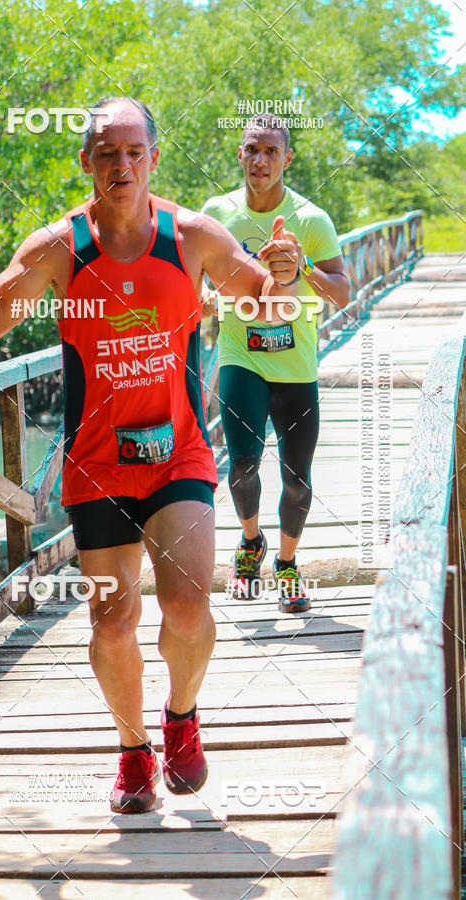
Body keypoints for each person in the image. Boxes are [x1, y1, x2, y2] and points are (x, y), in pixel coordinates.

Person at [0, 98, 300, 813]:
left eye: (134, 152)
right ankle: (134, 750)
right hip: (97, 466)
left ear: (153, 158)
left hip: (179, 456)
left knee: (187, 605)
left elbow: (269, 305)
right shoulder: (59, 247)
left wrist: (287, 273)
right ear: (86, 161)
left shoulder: (192, 236)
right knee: (111, 622)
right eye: (108, 153)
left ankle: (181, 718)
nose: (122, 165)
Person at [202, 114, 350, 612]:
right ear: (240, 155)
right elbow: (193, 273)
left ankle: (287, 564)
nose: (260, 160)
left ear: (287, 158)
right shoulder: (217, 213)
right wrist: (203, 298)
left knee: (296, 478)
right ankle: (251, 544)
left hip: (296, 366)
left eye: (271, 151)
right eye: (252, 149)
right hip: (240, 356)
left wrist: (301, 267)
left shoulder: (311, 219)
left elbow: (343, 292)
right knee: (242, 465)